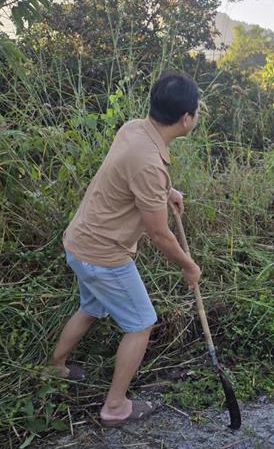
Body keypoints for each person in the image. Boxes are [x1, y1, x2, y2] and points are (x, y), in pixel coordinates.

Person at [49, 73, 202, 426]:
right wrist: (188, 265)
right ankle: (115, 407)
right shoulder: (149, 164)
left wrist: (165, 191)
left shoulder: (134, 129)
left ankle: (55, 367)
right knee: (142, 323)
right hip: (103, 255)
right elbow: (159, 234)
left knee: (91, 307)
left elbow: (128, 175)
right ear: (185, 119)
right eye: (196, 111)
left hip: (81, 243)